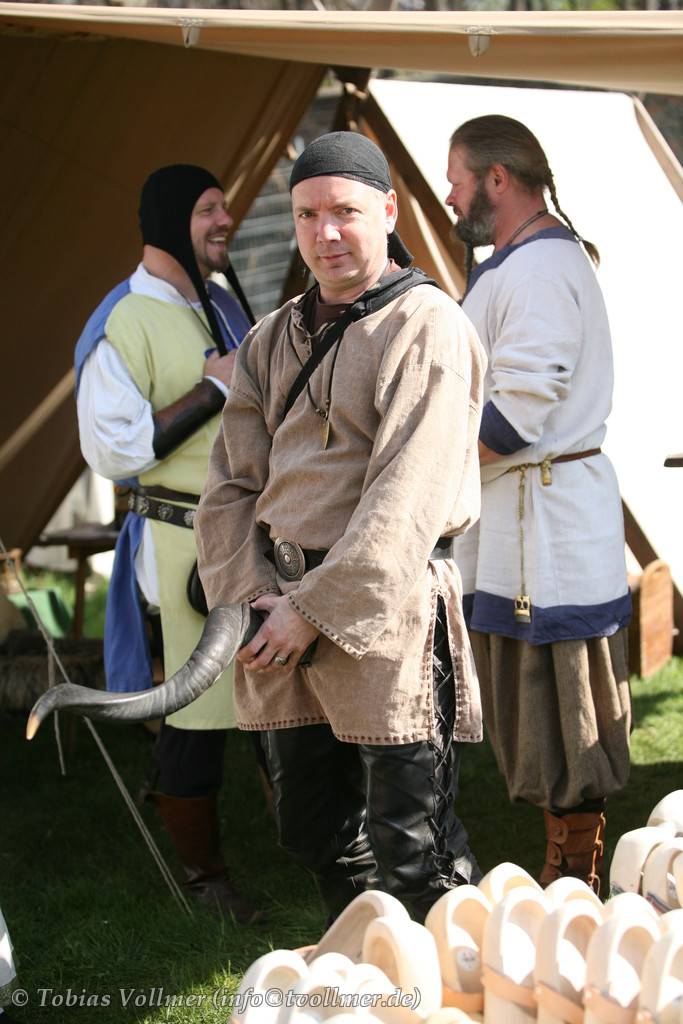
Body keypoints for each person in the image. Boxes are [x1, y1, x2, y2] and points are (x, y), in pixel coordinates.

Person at [194, 131, 485, 924]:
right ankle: (370, 969)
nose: (324, 232)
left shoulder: (425, 324)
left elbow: (406, 498)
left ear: (387, 211)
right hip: (273, 607)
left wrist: (312, 610)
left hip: (382, 611)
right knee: (315, 832)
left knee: (414, 848)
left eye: (345, 212)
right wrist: (249, 596)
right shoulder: (270, 337)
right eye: (306, 215)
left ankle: (455, 983)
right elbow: (229, 486)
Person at [445, 114, 632, 895]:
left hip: (546, 530)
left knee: (566, 707)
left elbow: (516, 415)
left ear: (496, 179)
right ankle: (564, 863)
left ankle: (575, 874)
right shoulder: (522, 262)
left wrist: (429, 468)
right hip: (522, 523)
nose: (449, 196)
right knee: (537, 705)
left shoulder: (540, 268)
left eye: (456, 180)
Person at [74, 164, 260, 923]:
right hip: (183, 538)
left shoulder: (221, 303)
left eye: (225, 207)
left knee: (272, 689)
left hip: (251, 534)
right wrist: (211, 389)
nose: (225, 221)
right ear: (171, 219)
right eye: (209, 209)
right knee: (198, 713)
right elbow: (113, 448)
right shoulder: (124, 320)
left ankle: (312, 840)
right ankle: (204, 877)